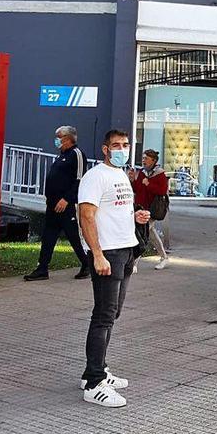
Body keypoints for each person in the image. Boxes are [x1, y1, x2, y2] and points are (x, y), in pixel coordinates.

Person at [77, 129, 150, 408]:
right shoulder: (95, 176)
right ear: (105, 149)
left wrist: (135, 216)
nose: (122, 149)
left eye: (126, 144)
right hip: (107, 253)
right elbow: (86, 215)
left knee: (113, 312)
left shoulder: (120, 174)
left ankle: (95, 371)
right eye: (116, 145)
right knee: (104, 315)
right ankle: (95, 384)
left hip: (126, 249)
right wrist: (97, 254)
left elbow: (114, 210)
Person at [24, 126, 90, 281]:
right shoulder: (62, 156)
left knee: (74, 236)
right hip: (53, 205)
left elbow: (80, 180)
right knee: (48, 236)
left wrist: (67, 199)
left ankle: (87, 263)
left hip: (67, 205)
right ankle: (42, 268)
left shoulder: (77, 154)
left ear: (67, 138)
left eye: (58, 137)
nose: (56, 140)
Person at [130, 149, 170, 270]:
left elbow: (162, 191)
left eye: (146, 159)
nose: (143, 161)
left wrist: (149, 184)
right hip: (141, 208)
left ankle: (134, 264)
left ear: (153, 160)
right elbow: (137, 189)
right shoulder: (142, 172)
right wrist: (132, 180)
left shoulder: (160, 174)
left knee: (142, 235)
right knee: (150, 234)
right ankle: (164, 257)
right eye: (143, 158)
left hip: (152, 209)